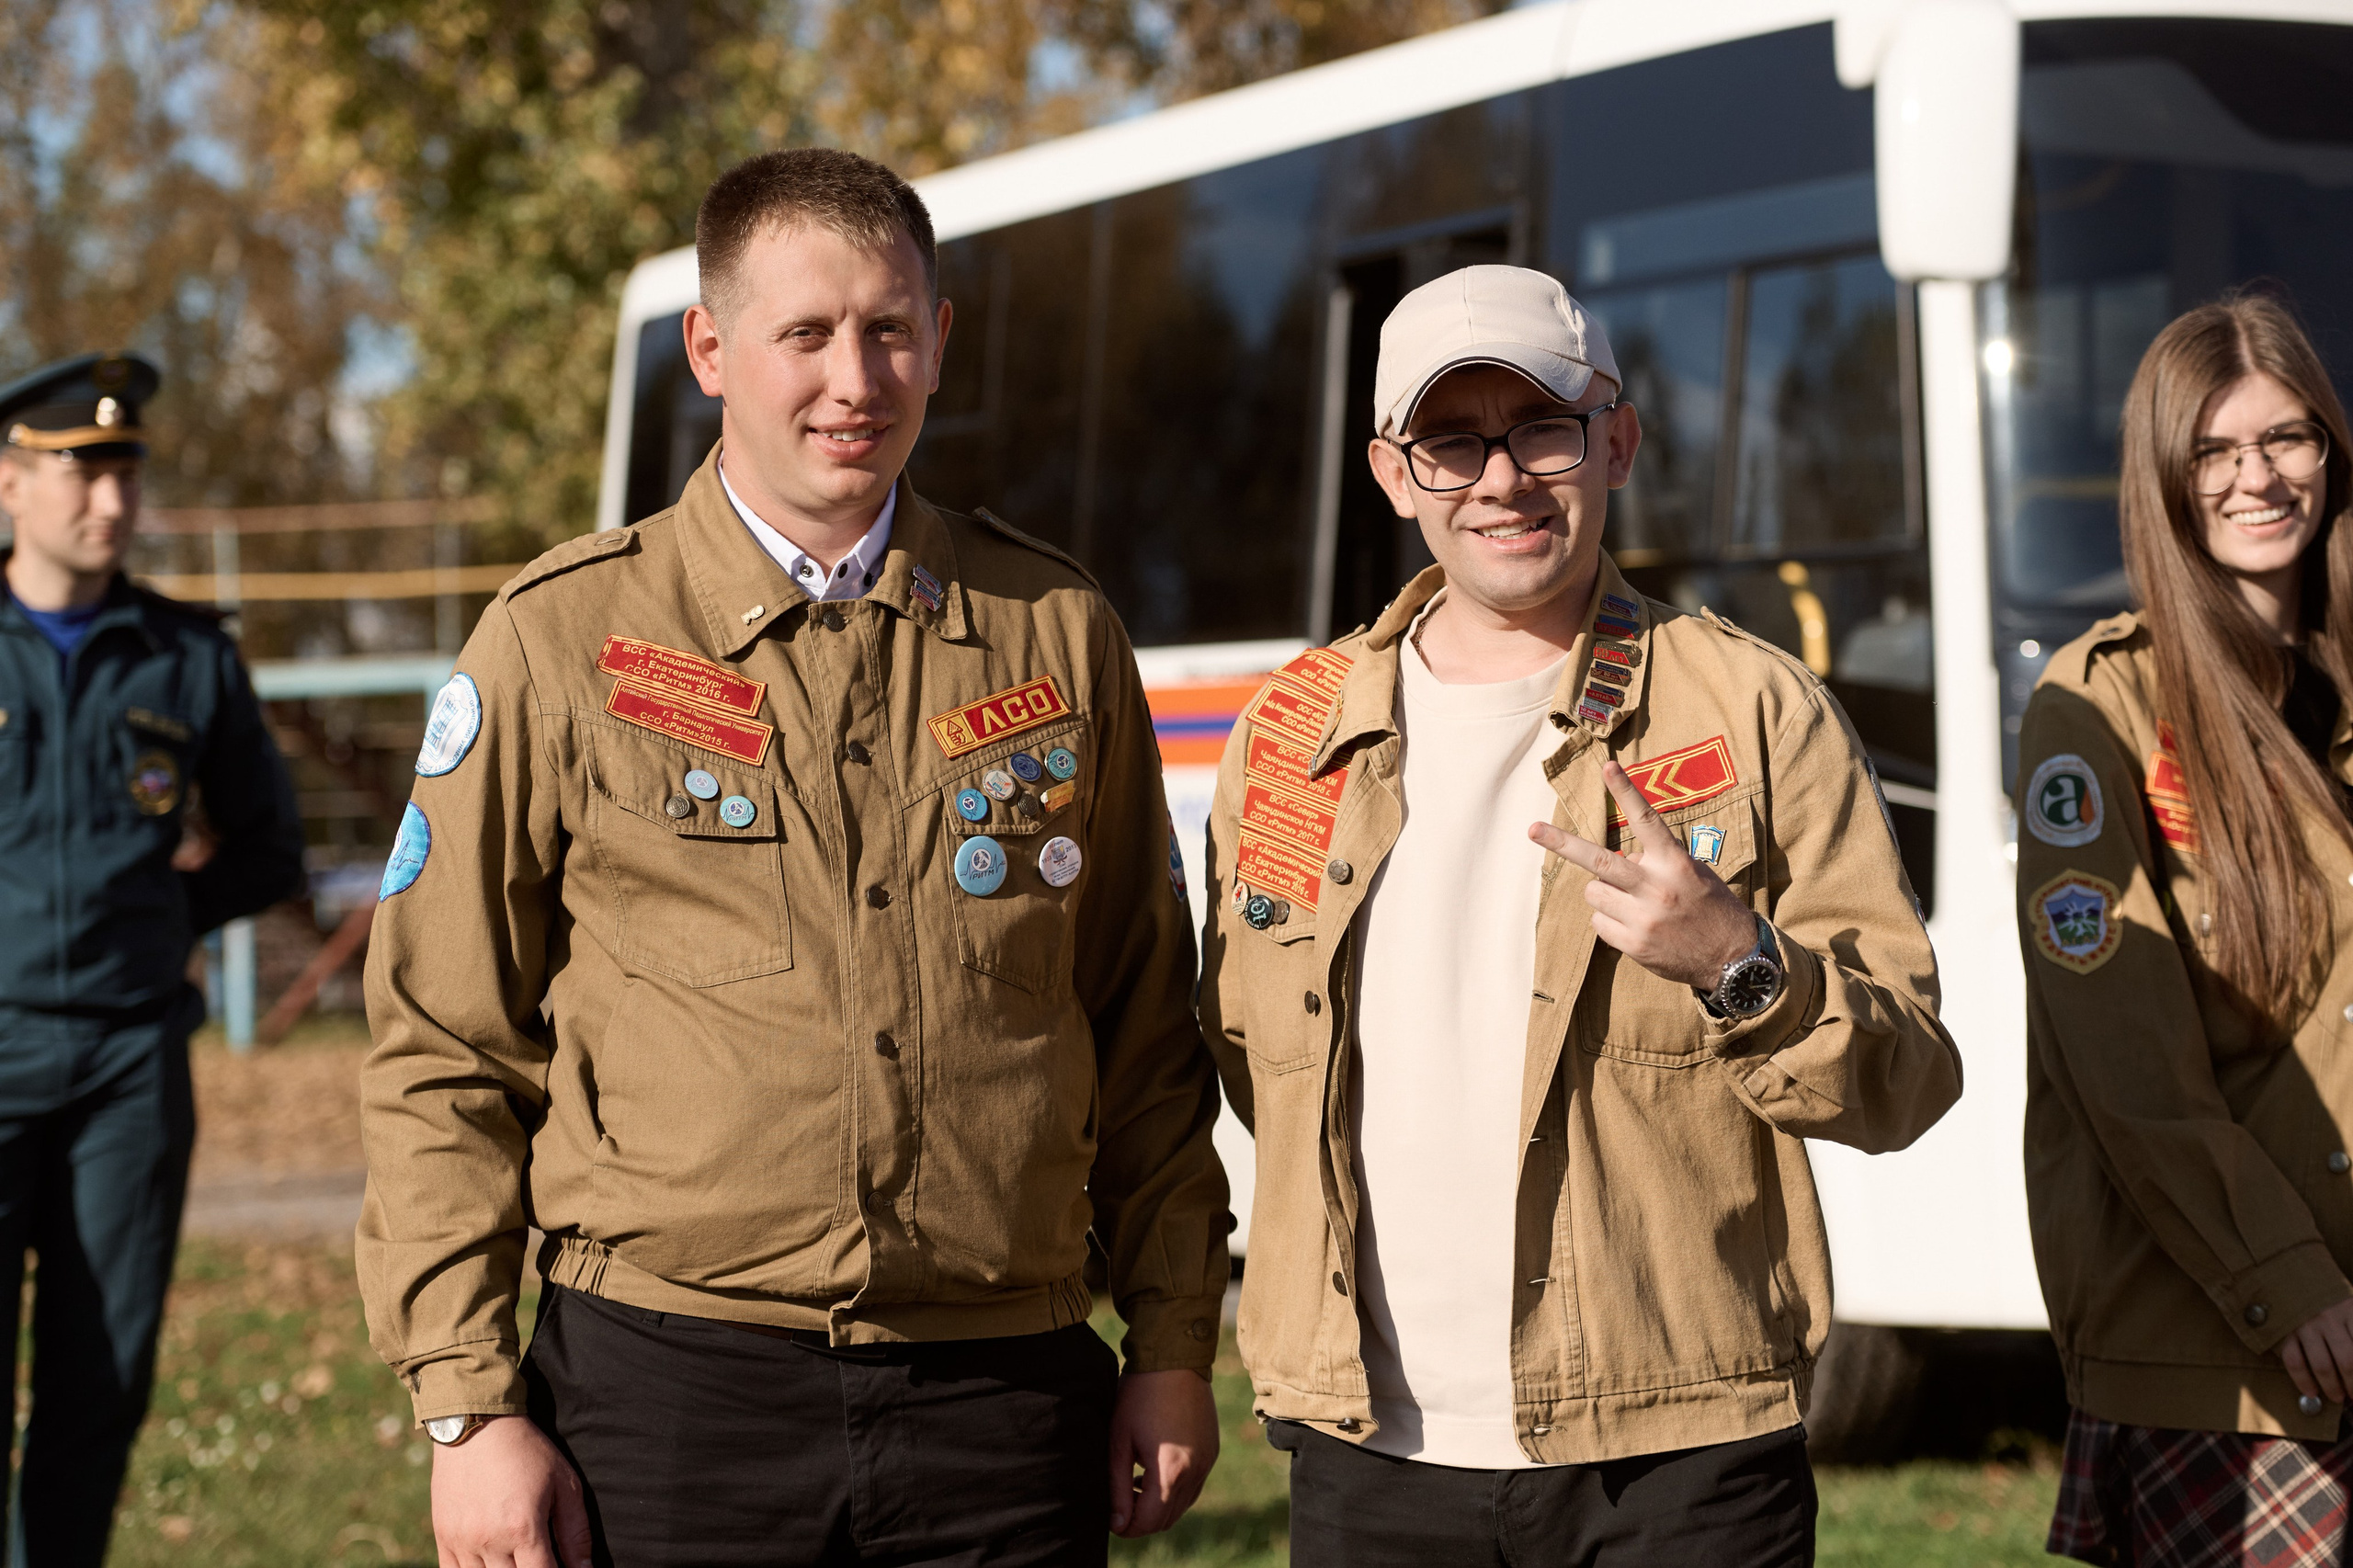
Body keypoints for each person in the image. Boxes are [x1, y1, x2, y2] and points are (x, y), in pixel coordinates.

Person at [358, 147, 1229, 1568]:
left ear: (943, 340)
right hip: (669, 1399)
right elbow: (445, 1044)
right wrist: (467, 1405)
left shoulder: (1057, 633)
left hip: (1003, 1402)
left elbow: (1143, 1026)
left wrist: (1175, 1339)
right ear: (711, 348)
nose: (856, 378)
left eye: (891, 327)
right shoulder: (557, 641)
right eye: (805, 334)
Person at [1196, 265, 1962, 1564]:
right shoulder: (1285, 735)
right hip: (1368, 1457)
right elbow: (1248, 1069)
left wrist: (1738, 959)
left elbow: (1906, 1080)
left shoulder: (1759, 712)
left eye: (1540, 426)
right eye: (1452, 441)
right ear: (1394, 474)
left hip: (1679, 1460)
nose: (1500, 478)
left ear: (1617, 438)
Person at [2020, 295, 2353, 1565]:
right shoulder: (2099, 704)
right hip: (2227, 1356)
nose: (2256, 478)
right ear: (2165, 480)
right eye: (2213, 453)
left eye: (2288, 439)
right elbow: (2127, 1069)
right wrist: (2287, 1277)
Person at [0, 351, 304, 1564]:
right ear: (10, 482)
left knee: (101, 1380)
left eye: (123, 470)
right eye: (79, 471)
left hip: (128, 1070)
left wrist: (155, 920)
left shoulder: (187, 656)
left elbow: (269, 847)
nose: (109, 500)